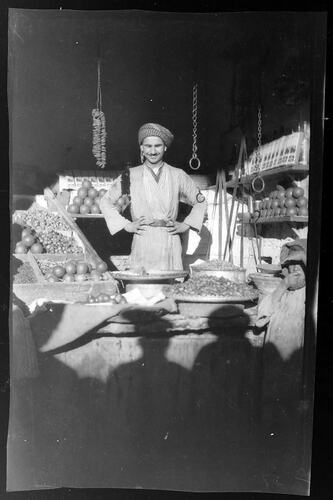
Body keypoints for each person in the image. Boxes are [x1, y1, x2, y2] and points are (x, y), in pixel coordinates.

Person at [100, 123, 207, 271]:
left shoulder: (178, 174)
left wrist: (186, 224)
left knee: (170, 287)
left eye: (157, 146)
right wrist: (127, 225)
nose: (152, 151)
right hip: (144, 239)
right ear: (141, 148)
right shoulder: (130, 175)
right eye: (148, 146)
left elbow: (200, 201)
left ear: (165, 147)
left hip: (169, 239)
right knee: (143, 288)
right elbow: (105, 201)